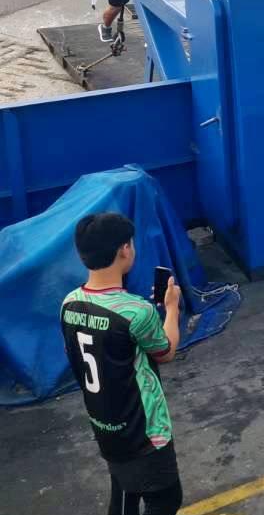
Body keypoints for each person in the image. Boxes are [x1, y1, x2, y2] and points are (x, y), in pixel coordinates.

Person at [61, 212, 183, 515]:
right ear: (124, 250)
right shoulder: (137, 312)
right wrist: (171, 309)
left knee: (125, 493)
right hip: (144, 429)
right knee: (165, 499)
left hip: (104, 422)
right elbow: (165, 352)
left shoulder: (69, 303)